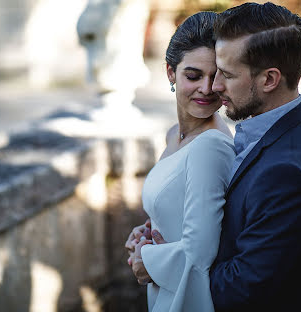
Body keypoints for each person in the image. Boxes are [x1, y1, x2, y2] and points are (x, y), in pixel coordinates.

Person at [207, 3, 301, 311]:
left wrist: (163, 266)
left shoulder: (287, 172)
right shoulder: (286, 134)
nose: (215, 85)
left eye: (227, 74)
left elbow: (240, 290)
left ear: (269, 80)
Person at [125, 12, 235, 311]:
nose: (207, 87)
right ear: (170, 73)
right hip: (165, 285)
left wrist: (145, 259)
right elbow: (180, 210)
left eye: (218, 75)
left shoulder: (210, 146)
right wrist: (148, 232)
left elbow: (199, 253)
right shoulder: (174, 135)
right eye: (193, 75)